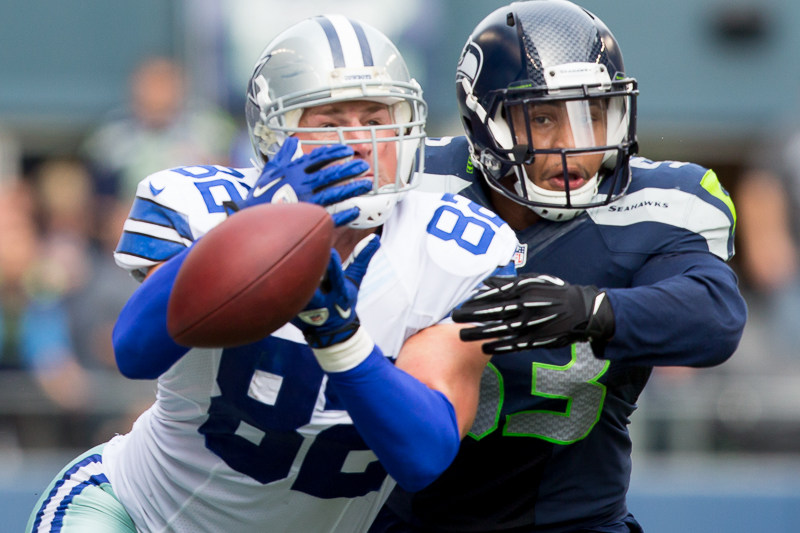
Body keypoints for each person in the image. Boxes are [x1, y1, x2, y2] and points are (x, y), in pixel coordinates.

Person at [27, 15, 518, 533]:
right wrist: (242, 234)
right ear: (272, 135)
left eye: (376, 117)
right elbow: (135, 350)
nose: (358, 142)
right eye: (329, 122)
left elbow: (422, 456)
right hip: (139, 513)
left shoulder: (458, 249)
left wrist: (340, 338)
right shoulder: (203, 206)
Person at [370, 2, 747, 532]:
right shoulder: (413, 183)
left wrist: (589, 310)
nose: (571, 143)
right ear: (486, 123)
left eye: (591, 113)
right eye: (543, 117)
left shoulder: (663, 201)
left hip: (576, 522)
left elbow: (714, 316)